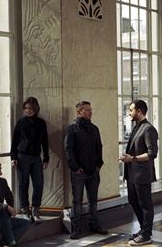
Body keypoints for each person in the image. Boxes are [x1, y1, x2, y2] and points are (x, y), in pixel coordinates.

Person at [65, 101, 108, 239]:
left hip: (93, 171)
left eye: (91, 109)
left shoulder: (94, 128)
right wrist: (75, 167)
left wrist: (98, 165)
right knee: (77, 201)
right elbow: (68, 149)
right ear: (79, 112)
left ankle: (94, 224)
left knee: (93, 200)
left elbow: (99, 147)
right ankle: (76, 228)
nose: (90, 112)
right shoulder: (72, 129)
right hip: (79, 172)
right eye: (87, 110)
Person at [120, 99, 159, 246]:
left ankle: (146, 235)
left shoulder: (149, 129)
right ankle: (144, 230)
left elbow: (152, 153)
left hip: (142, 175)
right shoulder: (137, 127)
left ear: (139, 111)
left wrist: (133, 158)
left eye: (131, 110)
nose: (129, 113)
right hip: (132, 174)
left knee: (145, 205)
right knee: (133, 201)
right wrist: (127, 158)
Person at [10, 96, 49, 222]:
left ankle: (35, 209)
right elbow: (15, 141)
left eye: (31, 108)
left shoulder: (41, 123)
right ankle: (25, 210)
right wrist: (13, 157)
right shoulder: (21, 122)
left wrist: (46, 157)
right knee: (23, 184)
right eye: (26, 108)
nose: (28, 110)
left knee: (39, 184)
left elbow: (45, 141)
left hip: (36, 158)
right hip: (22, 157)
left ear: (36, 108)